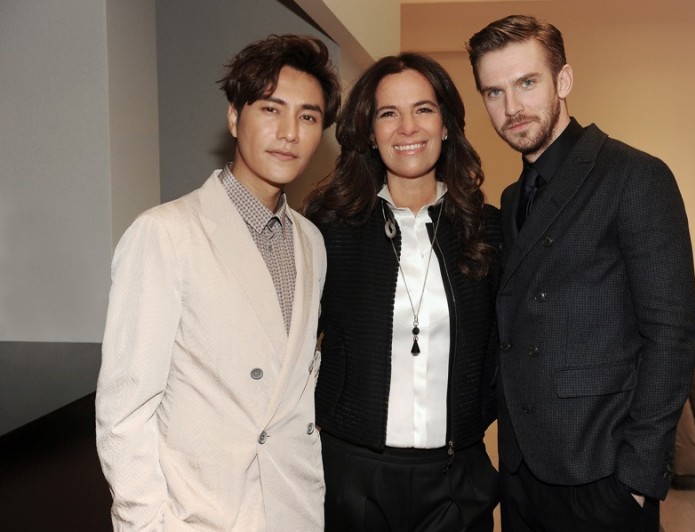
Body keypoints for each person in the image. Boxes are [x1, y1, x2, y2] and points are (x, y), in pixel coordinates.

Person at [95, 34, 341, 530]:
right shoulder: (165, 233)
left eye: (308, 117)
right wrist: (147, 523)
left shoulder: (312, 241)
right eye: (271, 109)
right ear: (234, 117)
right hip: (201, 514)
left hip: (291, 507)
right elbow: (125, 411)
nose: (289, 132)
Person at [466, 15, 695, 532]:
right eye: (494, 92)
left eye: (527, 83)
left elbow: (673, 336)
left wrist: (636, 480)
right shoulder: (509, 201)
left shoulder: (635, 177)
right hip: (521, 471)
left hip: (601, 474)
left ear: (563, 81)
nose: (512, 108)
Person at [304, 52, 501, 531]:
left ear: (448, 125)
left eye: (424, 109)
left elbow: (510, 347)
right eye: (388, 114)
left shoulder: (490, 231)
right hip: (352, 478)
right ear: (370, 133)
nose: (407, 127)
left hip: (458, 480)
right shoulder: (329, 232)